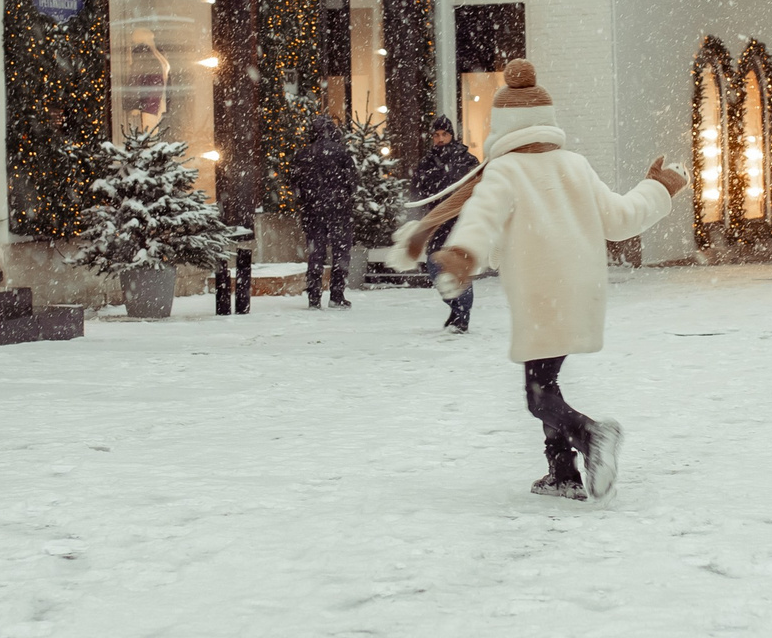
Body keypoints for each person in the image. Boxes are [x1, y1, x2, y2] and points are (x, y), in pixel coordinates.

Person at [390, 60, 685, 501]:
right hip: (581, 291)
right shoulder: (575, 165)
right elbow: (621, 219)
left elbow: (481, 216)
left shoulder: (504, 171)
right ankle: (562, 475)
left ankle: (593, 435)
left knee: (538, 393)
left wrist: (462, 254)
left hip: (540, 293)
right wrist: (658, 187)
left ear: (501, 126)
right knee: (545, 380)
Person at [407, 113, 480, 332]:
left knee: (457, 267)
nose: (440, 139)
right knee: (434, 266)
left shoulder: (467, 160)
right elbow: (417, 190)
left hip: (460, 221)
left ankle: (462, 315)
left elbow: (478, 188)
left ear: (451, 136)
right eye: (436, 135)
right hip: (436, 222)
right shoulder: (427, 162)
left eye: (444, 134)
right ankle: (455, 308)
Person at [292, 114, 357, 308]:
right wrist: (342, 198)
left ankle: (314, 297)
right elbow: (352, 181)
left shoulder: (303, 154)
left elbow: (294, 185)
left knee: (316, 254)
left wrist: (307, 201)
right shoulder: (341, 153)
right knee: (340, 253)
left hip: (313, 211)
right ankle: (337, 295)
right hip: (338, 210)